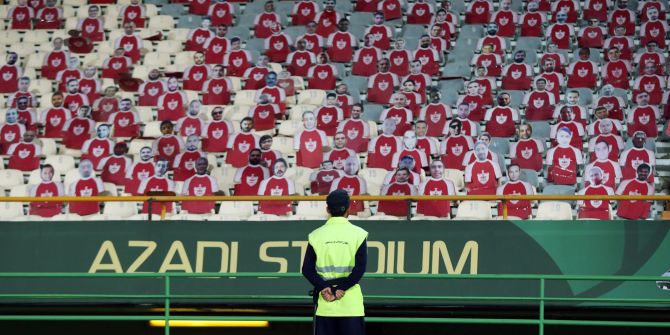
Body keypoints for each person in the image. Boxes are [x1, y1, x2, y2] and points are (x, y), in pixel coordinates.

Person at [302, 189, 367, 335]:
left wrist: (325, 288)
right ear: (349, 209)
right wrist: (341, 289)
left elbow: (307, 269)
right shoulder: (359, 234)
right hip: (351, 304)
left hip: (326, 304)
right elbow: (360, 269)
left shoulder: (315, 235)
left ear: (327, 209)